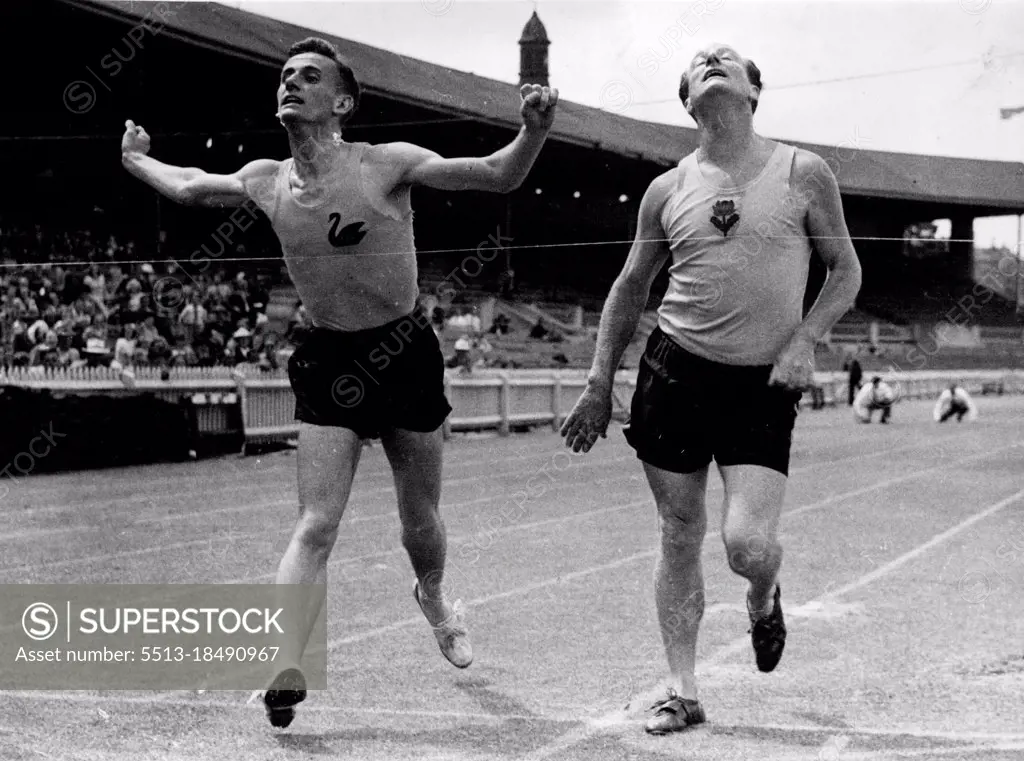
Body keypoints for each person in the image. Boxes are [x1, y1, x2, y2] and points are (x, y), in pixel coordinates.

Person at [122, 36, 558, 727]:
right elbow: (188, 183)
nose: (292, 83)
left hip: (404, 351)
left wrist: (533, 130)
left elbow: (497, 175)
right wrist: (135, 156)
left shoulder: (386, 164)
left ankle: (434, 595)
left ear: (342, 101)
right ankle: (285, 662)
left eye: (310, 76)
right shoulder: (267, 179)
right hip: (330, 360)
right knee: (316, 521)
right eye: (286, 75)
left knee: (420, 522)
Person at [559, 43, 861, 735]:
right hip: (676, 370)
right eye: (699, 63)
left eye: (728, 61)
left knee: (747, 544)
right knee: (678, 532)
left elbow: (845, 271)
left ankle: (762, 595)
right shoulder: (667, 189)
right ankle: (682, 688)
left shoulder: (803, 173)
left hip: (761, 382)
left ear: (755, 91)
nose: (712, 60)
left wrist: (806, 338)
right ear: (687, 99)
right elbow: (630, 288)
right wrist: (599, 382)